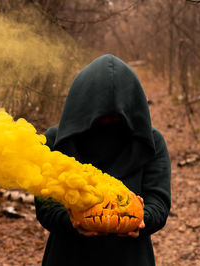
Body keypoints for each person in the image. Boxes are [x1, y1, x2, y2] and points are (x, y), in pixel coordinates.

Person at [34, 54, 171, 266]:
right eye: (101, 118)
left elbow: (159, 200)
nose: (109, 124)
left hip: (130, 258)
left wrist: (143, 218)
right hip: (68, 257)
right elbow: (46, 205)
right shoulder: (55, 142)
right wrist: (72, 220)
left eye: (117, 118)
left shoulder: (150, 142)